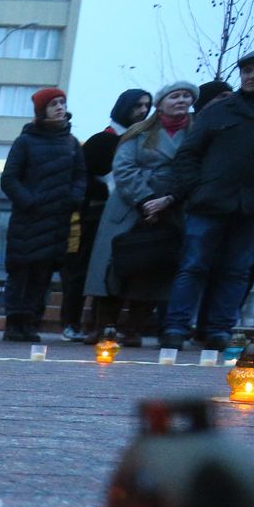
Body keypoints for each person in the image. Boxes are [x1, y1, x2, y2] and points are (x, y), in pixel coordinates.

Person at [162, 48, 254, 350]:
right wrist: (197, 189)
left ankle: (219, 330)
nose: (251, 76)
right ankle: (176, 327)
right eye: (246, 71)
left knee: (236, 271)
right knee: (193, 266)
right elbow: (188, 155)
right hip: (209, 204)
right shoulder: (219, 111)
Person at [80, 81, 196, 347]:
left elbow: (194, 171)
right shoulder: (139, 131)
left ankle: (133, 329)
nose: (181, 100)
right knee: (112, 267)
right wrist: (145, 199)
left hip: (171, 208)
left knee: (154, 269)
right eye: (175, 96)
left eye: (186, 96)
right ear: (162, 102)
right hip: (128, 206)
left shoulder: (196, 134)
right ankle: (103, 327)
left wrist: (168, 200)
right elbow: (123, 167)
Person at [0, 87, 88, 343]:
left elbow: (80, 176)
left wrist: (74, 198)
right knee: (21, 273)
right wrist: (30, 202)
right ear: (42, 111)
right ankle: (14, 324)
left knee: (43, 275)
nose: (60, 107)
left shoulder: (71, 143)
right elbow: (9, 179)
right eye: (54, 104)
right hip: (28, 221)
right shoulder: (26, 140)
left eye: (62, 102)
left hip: (58, 221)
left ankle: (31, 323)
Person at [65, 88, 151, 340]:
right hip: (94, 216)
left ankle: (107, 325)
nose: (143, 111)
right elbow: (81, 178)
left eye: (147, 106)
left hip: (130, 216)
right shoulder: (101, 141)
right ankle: (74, 322)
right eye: (137, 106)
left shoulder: (143, 141)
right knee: (83, 271)